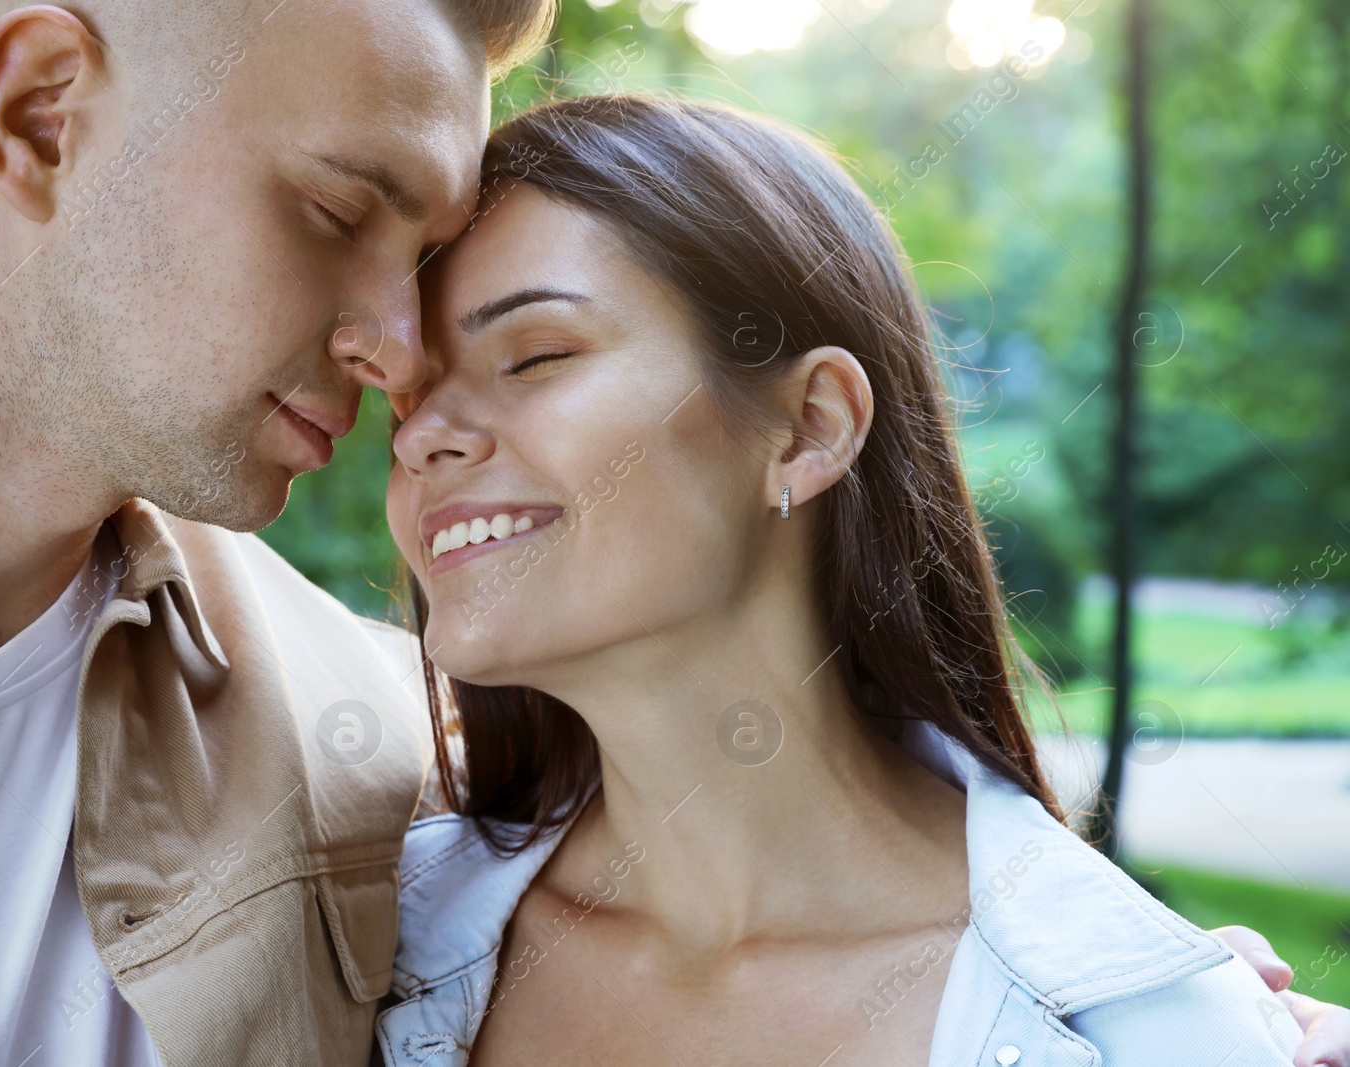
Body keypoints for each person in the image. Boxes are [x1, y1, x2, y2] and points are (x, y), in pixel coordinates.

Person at [376, 93, 1350, 1066]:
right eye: (408, 399)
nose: (420, 436)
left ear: (808, 428)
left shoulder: (1150, 1032)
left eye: (534, 356)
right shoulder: (363, 936)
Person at [0, 1, 551, 1065]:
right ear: (40, 115)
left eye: (425, 260)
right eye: (338, 211)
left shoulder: (390, 756)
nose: (403, 356)